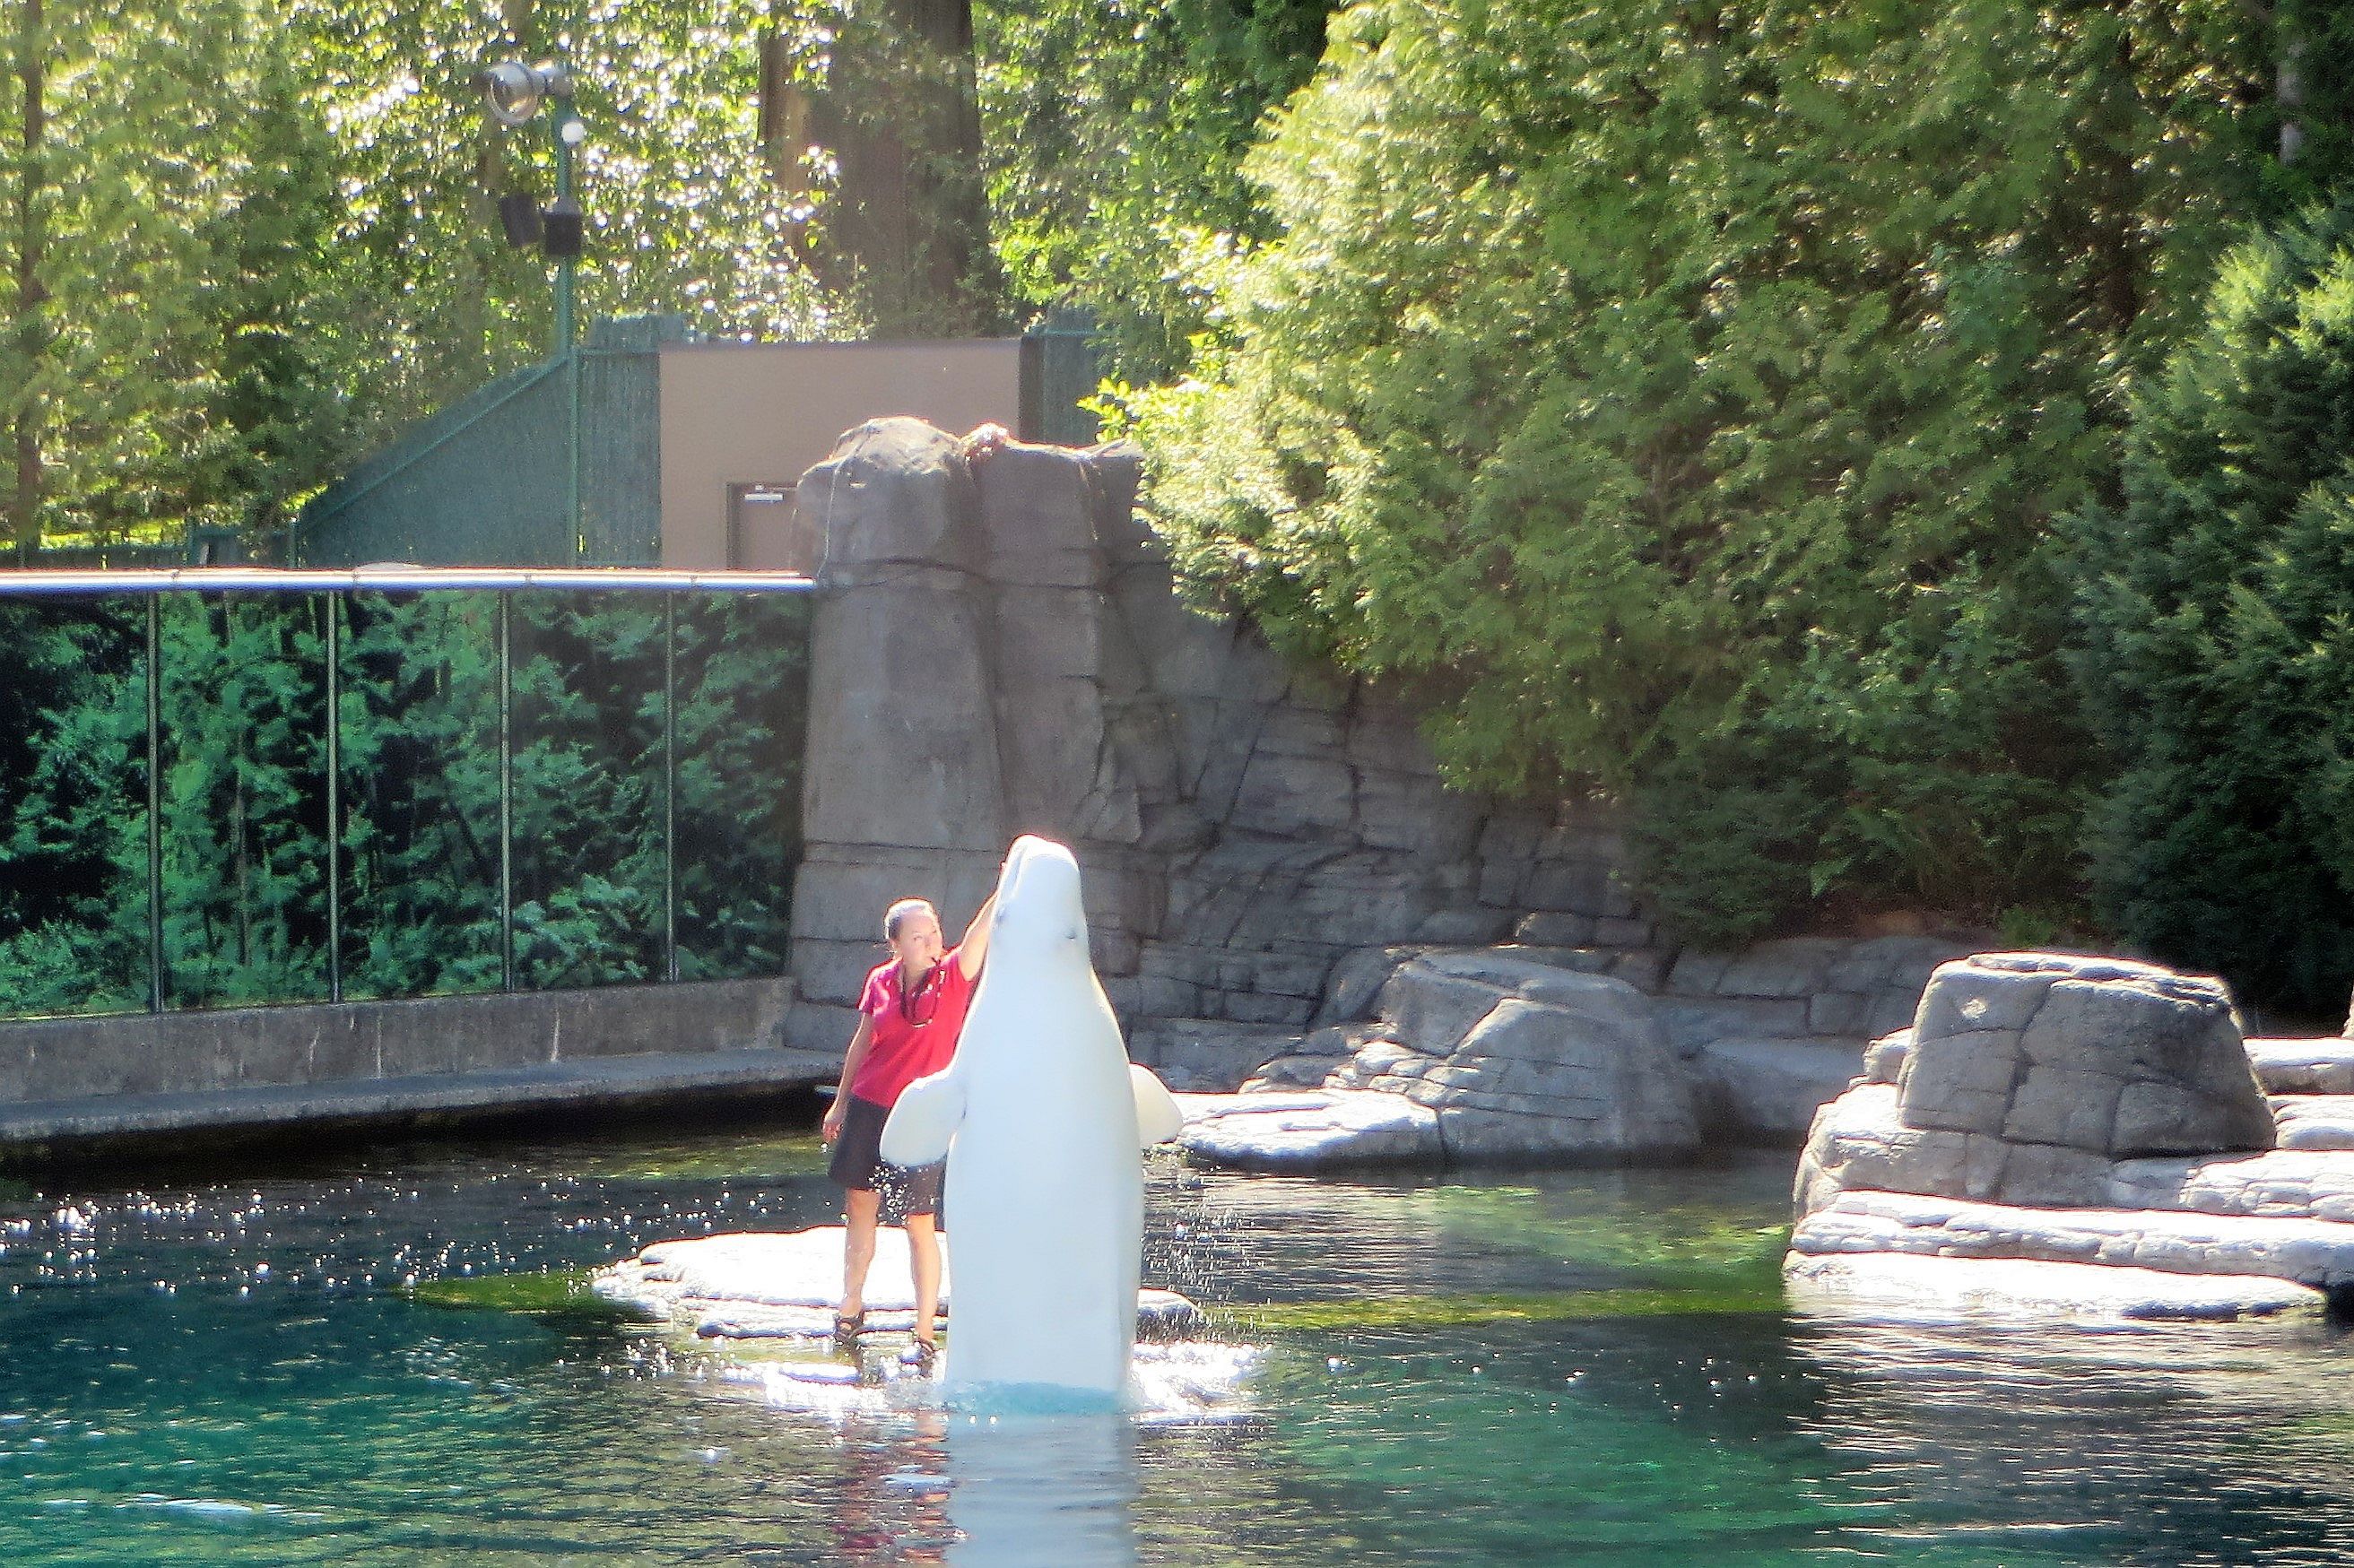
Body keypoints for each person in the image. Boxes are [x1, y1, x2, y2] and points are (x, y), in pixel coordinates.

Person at [821, 890, 994, 1357]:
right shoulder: (880, 980)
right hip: (871, 1104)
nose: (931, 940)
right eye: (917, 936)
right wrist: (840, 1103)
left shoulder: (953, 976)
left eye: (934, 931)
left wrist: (1007, 882)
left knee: (919, 1221)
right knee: (860, 1204)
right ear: (895, 945)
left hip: (921, 1115)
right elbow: (863, 1043)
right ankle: (851, 1305)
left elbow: (978, 935)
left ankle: (923, 1331)